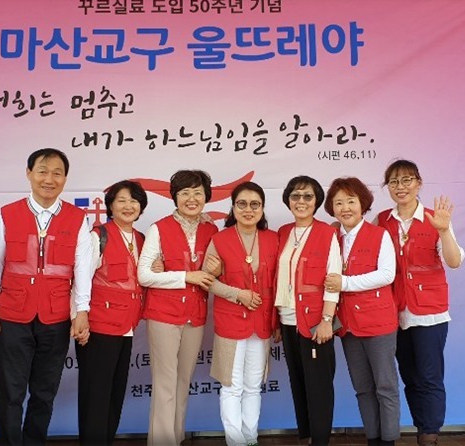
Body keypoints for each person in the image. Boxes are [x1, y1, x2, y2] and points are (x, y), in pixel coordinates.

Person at [0, 148, 93, 445]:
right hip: (13, 315)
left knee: (44, 392)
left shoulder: (77, 218)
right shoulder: (8, 213)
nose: (49, 179)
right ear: (29, 173)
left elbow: (82, 268)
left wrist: (82, 311)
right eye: (42, 171)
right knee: (11, 392)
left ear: (65, 178)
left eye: (57, 173)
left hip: (55, 317)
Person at [375, 160, 463, 446]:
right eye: (394, 182)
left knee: (429, 375)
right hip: (394, 311)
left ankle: (429, 433)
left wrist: (444, 230)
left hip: (429, 312)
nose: (400, 187)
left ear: (418, 183)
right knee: (410, 375)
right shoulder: (382, 221)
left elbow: (454, 261)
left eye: (407, 180)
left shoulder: (435, 218)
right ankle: (420, 426)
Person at [137, 169, 218, 446]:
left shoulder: (211, 230)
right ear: (175, 197)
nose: (191, 199)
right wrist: (185, 276)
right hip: (163, 315)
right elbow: (144, 275)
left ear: (206, 196)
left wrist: (215, 271)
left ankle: (177, 437)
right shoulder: (158, 228)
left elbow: (213, 272)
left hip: (195, 315)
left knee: (183, 382)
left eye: (197, 192)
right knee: (165, 383)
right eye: (184, 193)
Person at [323, 177, 399, 446]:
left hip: (378, 323)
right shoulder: (332, 237)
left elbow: (387, 275)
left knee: (386, 386)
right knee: (362, 388)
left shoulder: (380, 234)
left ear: (362, 203)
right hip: (349, 325)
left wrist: (346, 283)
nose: (345, 208)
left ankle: (389, 440)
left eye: (351, 201)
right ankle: (373, 439)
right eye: (339, 203)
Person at [204, 182, 278, 446]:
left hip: (262, 322)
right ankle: (235, 441)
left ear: (262, 208)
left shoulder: (273, 239)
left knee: (253, 386)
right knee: (231, 386)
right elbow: (207, 280)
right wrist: (238, 294)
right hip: (230, 322)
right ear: (233, 208)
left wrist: (277, 321)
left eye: (254, 204)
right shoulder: (219, 239)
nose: (248, 210)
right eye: (242, 204)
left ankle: (250, 438)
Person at [74, 180, 148, 445]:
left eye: (134, 201)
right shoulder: (98, 236)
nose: (128, 206)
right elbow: (80, 278)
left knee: (115, 394)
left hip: (126, 326)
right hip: (98, 327)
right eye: (122, 200)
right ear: (110, 206)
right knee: (96, 395)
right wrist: (80, 317)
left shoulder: (141, 239)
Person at [275, 175, 341, 446]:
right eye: (295, 196)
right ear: (288, 200)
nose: (301, 201)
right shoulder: (282, 232)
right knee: (298, 381)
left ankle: (320, 440)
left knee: (319, 386)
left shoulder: (327, 233)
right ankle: (306, 437)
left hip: (315, 322)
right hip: (286, 320)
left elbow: (333, 278)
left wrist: (327, 319)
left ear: (316, 201)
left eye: (308, 196)